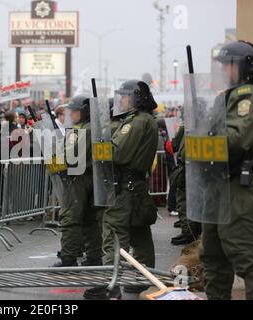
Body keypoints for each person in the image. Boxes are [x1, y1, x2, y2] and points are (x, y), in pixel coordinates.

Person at [84, 80, 159, 300]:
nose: (121, 101)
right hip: (134, 186)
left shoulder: (135, 122)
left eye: (125, 96)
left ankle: (111, 284)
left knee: (114, 233)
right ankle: (143, 278)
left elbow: (117, 154)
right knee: (139, 232)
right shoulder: (143, 120)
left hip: (125, 188)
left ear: (137, 98)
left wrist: (99, 139)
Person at [200, 40, 253, 300]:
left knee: (246, 257)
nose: (224, 70)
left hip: (238, 186)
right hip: (217, 185)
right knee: (212, 257)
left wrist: (202, 141)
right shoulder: (224, 98)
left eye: (229, 65)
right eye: (222, 65)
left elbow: (234, 139)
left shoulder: (249, 96)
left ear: (245, 67)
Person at [52, 95, 103, 268]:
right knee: (90, 220)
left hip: (78, 179)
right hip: (89, 177)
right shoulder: (89, 128)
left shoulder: (83, 130)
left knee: (70, 219)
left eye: (75, 111)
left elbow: (69, 157)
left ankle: (68, 259)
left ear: (84, 112)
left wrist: (52, 160)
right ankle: (94, 257)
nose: (71, 114)